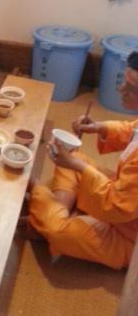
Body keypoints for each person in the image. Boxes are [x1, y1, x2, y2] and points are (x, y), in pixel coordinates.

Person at [28, 50, 138, 269]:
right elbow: (132, 131)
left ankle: (43, 203)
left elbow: (116, 205)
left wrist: (76, 166)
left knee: (57, 232)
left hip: (129, 235)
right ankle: (59, 212)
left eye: (131, 88)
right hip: (123, 197)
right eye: (124, 83)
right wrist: (100, 127)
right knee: (75, 157)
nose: (121, 90)